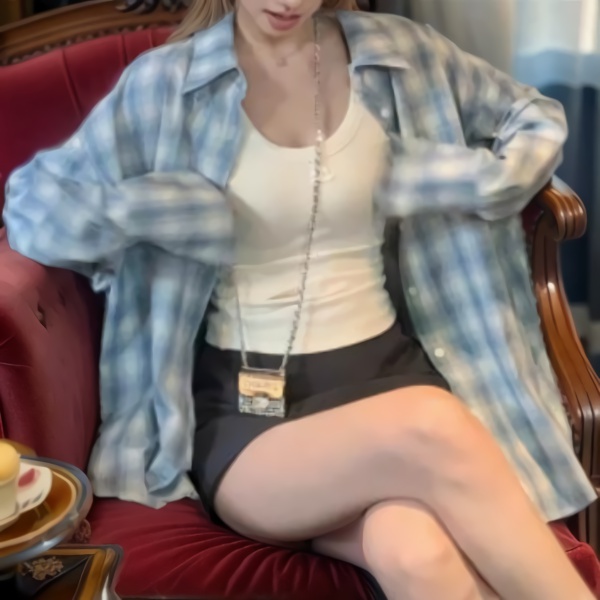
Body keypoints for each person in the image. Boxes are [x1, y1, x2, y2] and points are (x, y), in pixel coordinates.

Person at [4, 0, 598, 598]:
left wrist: (485, 182)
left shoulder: (400, 54)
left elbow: (533, 116)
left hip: (394, 373)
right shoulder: (168, 83)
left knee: (415, 552)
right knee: (434, 423)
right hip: (251, 416)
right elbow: (34, 204)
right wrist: (165, 211)